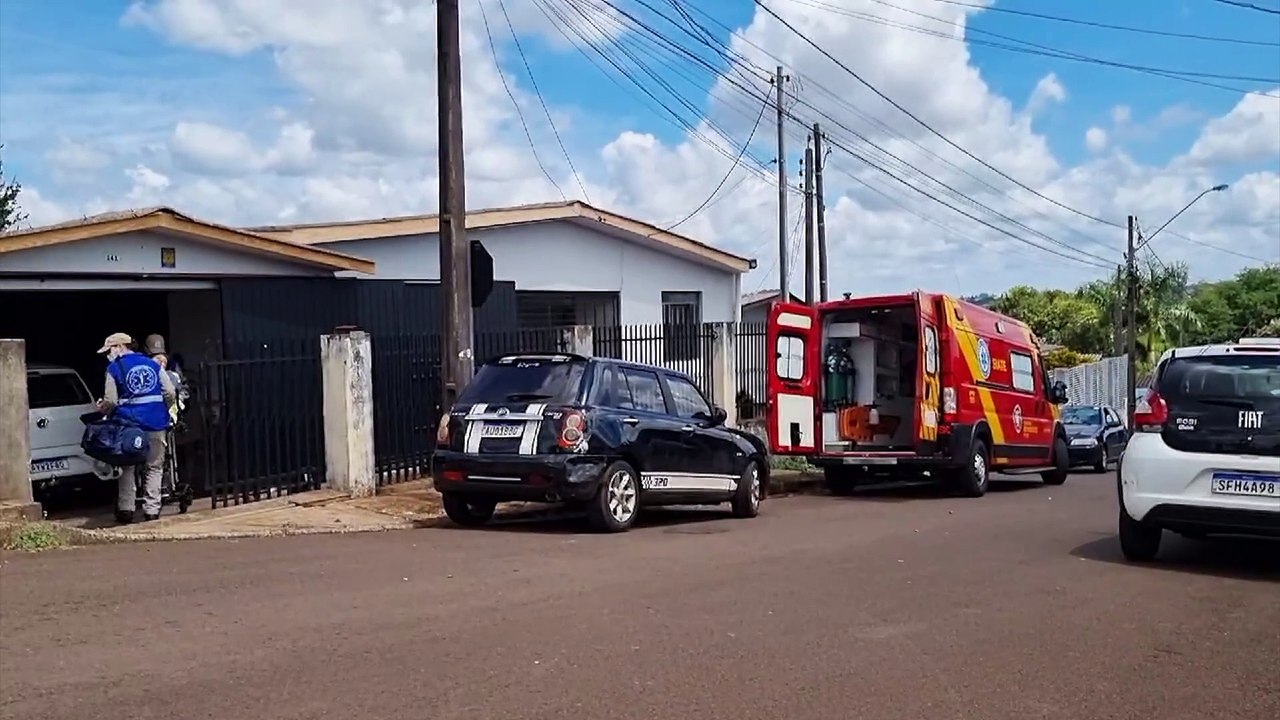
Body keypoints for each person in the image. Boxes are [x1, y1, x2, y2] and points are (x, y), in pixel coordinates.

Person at [96, 332, 176, 524]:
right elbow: (170, 392)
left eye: (109, 350)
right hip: (156, 423)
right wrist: (161, 409)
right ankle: (152, 510)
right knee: (155, 466)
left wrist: (103, 409)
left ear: (119, 347)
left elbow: (111, 400)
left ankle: (126, 509)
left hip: (129, 426)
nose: (108, 354)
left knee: (127, 467)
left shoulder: (114, 368)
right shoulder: (153, 364)